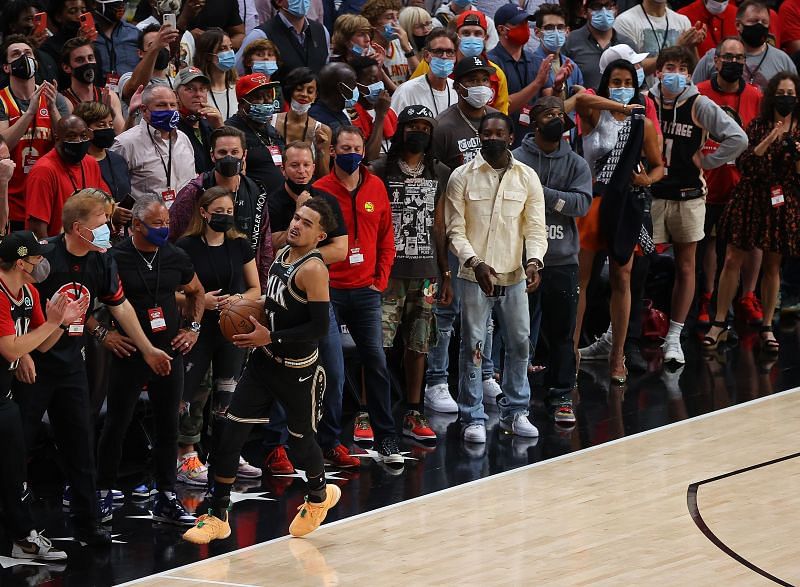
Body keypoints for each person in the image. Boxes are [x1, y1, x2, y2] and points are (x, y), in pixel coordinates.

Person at [15, 189, 172, 545]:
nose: (108, 228)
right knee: (16, 443)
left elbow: (120, 306)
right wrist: (21, 354)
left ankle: (88, 521)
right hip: (34, 363)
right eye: (101, 221)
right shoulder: (43, 260)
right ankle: (16, 523)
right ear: (76, 227)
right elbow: (18, 307)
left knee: (81, 442)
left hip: (70, 362)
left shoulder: (102, 259)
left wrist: (147, 349)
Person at [182, 198, 342, 544]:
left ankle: (318, 497)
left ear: (320, 235)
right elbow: (273, 304)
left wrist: (272, 335)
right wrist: (238, 303)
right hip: (264, 362)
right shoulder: (283, 255)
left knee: (302, 444)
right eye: (297, 217)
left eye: (307, 223)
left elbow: (318, 328)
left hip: (297, 370)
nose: (297, 224)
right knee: (229, 433)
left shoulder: (314, 269)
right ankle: (217, 514)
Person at [96, 194, 203, 525]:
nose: (164, 229)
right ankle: (102, 490)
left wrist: (193, 328)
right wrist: (104, 334)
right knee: (117, 422)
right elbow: (84, 302)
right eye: (157, 224)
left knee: (168, 424)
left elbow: (196, 291)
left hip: (169, 352)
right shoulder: (114, 257)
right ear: (136, 224)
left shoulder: (175, 256)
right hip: (129, 352)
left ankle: (166, 494)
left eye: (166, 222)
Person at [444, 112, 547, 443]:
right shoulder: (462, 176)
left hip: (514, 274)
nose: (491, 138)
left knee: (519, 343)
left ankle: (517, 411)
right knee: (473, 345)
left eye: (498, 133)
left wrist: (534, 262)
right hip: (475, 275)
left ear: (510, 138)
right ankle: (472, 415)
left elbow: (534, 226)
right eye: (486, 133)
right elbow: (454, 229)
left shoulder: (526, 176)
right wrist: (474, 262)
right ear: (479, 136)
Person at [649, 46, 747, 364]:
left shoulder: (698, 103)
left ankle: (674, 337)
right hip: (651, 194)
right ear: (658, 71)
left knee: (687, 266)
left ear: (689, 74)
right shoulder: (646, 100)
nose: (674, 73)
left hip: (688, 193)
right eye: (668, 67)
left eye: (681, 68)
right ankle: (627, 333)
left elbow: (738, 138)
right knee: (634, 268)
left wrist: (707, 158)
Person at [314, 125, 404, 466]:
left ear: (364, 152)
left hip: (366, 291)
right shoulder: (320, 190)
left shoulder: (376, 186)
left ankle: (387, 438)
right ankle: (330, 442)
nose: (351, 152)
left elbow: (386, 237)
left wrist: (379, 280)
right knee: (333, 371)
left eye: (356, 146)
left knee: (377, 364)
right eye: (344, 147)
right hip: (330, 291)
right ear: (333, 151)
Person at [264, 141, 356, 471]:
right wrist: (299, 219)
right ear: (283, 168)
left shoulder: (326, 200)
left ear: (313, 168)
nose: (301, 170)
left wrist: (301, 255)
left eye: (306, 165)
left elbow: (341, 248)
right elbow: (272, 245)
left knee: (333, 371)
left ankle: (331, 441)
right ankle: (277, 447)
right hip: (282, 301)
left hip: (317, 297)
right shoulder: (273, 201)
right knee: (282, 375)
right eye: (294, 165)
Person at [0, 232, 85, 563]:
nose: (42, 263)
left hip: (3, 394)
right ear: (21, 263)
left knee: (13, 466)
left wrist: (61, 323)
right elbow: (9, 347)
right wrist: (48, 326)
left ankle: (22, 537)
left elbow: (43, 344)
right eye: (36, 258)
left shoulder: (30, 292)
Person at [371, 105, 455, 428]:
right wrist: (380, 119)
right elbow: (369, 155)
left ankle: (413, 410)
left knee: (419, 345)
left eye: (425, 127)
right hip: (388, 273)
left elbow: (440, 228)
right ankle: (369, 412)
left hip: (427, 273)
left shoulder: (441, 172)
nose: (418, 132)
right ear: (401, 129)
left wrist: (445, 273)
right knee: (377, 345)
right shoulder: (381, 168)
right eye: (411, 126)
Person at [705, 73, 800, 355]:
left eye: (791, 93)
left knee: (773, 264)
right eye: (781, 92)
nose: (786, 97)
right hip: (751, 197)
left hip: (782, 201)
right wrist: (770, 139)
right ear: (772, 96)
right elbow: (745, 163)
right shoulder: (758, 125)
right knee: (733, 257)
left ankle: (767, 325)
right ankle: (719, 322)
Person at [175, 186, 264, 484]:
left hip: (231, 327)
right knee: (193, 391)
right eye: (219, 212)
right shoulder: (186, 246)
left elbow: (255, 289)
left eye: (229, 212)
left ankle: (226, 454)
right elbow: (171, 292)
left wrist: (238, 300)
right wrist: (201, 300)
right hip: (196, 327)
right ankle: (186, 454)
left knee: (229, 392)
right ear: (203, 212)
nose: (225, 217)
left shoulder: (239, 244)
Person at [512, 96, 591, 424]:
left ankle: (561, 395)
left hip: (561, 259)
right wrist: (556, 197)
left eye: (560, 114)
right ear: (534, 122)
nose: (555, 119)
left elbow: (581, 204)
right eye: (548, 114)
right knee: (517, 333)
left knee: (562, 333)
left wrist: (542, 193)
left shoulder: (576, 163)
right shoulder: (515, 158)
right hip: (519, 258)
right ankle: (515, 396)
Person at [695, 37, 763, 327]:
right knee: (706, 247)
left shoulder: (756, 96)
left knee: (734, 252)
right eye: (728, 57)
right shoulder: (699, 93)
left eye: (739, 58)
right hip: (705, 186)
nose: (734, 62)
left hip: (740, 189)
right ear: (716, 60)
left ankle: (736, 304)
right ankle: (706, 300)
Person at [0, 35, 68, 231]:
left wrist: (53, 108)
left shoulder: (55, 98)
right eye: (16, 54)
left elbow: (67, 143)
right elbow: (4, 144)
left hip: (47, 198)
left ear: (36, 63)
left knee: (45, 256)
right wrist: (30, 112)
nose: (24, 57)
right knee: (21, 257)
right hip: (11, 201)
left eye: (28, 53)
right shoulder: (2, 100)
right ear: (7, 67)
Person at [26, 115, 110, 238]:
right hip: (58, 249)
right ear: (57, 138)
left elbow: (102, 205)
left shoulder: (90, 163)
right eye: (72, 136)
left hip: (88, 244)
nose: (79, 141)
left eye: (83, 136)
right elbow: (37, 227)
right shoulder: (43, 171)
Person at [110, 85, 196, 204]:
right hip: (146, 220)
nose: (169, 110)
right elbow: (113, 189)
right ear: (144, 110)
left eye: (172, 105)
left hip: (184, 218)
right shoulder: (126, 143)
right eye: (161, 105)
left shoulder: (184, 139)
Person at [692, 0, 797, 90]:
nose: (759, 26)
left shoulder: (783, 61)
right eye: (753, 21)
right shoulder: (713, 57)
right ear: (738, 25)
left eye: (764, 22)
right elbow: (693, 94)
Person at [488, 4, 552, 148]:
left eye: (525, 23)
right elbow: (503, 106)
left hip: (534, 144)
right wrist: (536, 84)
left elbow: (548, 100)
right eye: (518, 24)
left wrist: (559, 87)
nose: (524, 28)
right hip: (503, 143)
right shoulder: (491, 64)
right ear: (502, 29)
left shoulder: (536, 61)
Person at [235, 0, 330, 80]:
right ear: (278, 1)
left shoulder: (322, 32)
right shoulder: (260, 35)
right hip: (275, 99)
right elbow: (234, 74)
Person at [432, 55, 498, 170]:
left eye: (485, 80)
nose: (481, 85)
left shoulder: (498, 119)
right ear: (458, 87)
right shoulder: (441, 127)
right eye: (473, 80)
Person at [224, 73, 286, 195]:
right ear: (242, 103)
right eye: (258, 97)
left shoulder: (272, 130)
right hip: (252, 202)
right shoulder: (231, 131)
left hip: (279, 202)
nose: (266, 101)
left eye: (269, 96)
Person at [612, 0, 701, 78]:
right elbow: (630, 69)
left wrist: (692, 47)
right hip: (644, 93)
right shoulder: (625, 21)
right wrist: (677, 47)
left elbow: (694, 71)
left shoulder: (682, 21)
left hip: (678, 93)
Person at [73, 101, 133, 216]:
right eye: (101, 125)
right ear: (85, 129)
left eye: (110, 124)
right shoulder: (78, 163)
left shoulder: (119, 160)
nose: (108, 129)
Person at [562, 0, 636, 91]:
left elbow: (639, 83)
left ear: (616, 9)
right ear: (584, 11)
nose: (604, 11)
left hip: (621, 104)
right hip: (584, 103)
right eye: (596, 6)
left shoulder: (627, 44)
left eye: (608, 5)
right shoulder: (570, 42)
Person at [271, 67, 332, 178]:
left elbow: (323, 177)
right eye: (299, 89)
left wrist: (321, 151)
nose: (304, 94)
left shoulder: (323, 130)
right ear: (290, 91)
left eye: (310, 91)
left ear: (315, 96)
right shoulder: (270, 122)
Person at [61, 37, 125, 135]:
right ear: (66, 67)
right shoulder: (65, 101)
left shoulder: (109, 96)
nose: (87, 63)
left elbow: (121, 135)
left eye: (90, 58)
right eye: (80, 60)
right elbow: (70, 138)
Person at [390, 29, 459, 117]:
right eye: (438, 51)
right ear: (426, 56)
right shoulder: (406, 91)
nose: (444, 56)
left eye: (450, 52)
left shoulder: (458, 89)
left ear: (455, 56)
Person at [175, 67, 225, 174]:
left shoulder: (212, 123)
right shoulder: (170, 128)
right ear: (176, 95)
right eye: (190, 89)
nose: (198, 94)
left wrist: (220, 127)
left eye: (202, 89)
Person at [531, 5, 584, 106]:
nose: (555, 32)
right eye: (549, 28)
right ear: (537, 32)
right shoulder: (531, 65)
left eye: (560, 27)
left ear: (567, 31)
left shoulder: (572, 67)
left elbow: (579, 106)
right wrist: (577, 97)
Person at [0, 0, 61, 87]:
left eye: (37, 19)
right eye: (29, 19)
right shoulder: (2, 57)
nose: (35, 24)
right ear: (12, 26)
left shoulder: (47, 56)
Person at [118, 24, 181, 104]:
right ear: (140, 53)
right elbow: (135, 87)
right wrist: (155, 47)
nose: (160, 47)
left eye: (164, 43)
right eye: (152, 44)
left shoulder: (176, 84)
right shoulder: (127, 77)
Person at [362, 0, 418, 88]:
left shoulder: (401, 42)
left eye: (397, 17)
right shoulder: (368, 50)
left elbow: (420, 77)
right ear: (373, 24)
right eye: (389, 17)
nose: (396, 22)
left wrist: (407, 49)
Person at [351, 56, 397, 162]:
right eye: (371, 81)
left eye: (379, 80)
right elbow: (368, 158)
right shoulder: (351, 114)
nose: (378, 85)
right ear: (355, 83)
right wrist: (380, 116)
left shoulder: (390, 110)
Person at [194, 29, 239, 122]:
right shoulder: (198, 92)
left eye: (231, 47)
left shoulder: (238, 86)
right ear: (208, 55)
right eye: (223, 49)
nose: (230, 52)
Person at [92, 0, 141, 80]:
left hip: (131, 89)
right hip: (97, 90)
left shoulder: (135, 33)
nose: (120, 7)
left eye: (121, 2)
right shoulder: (86, 35)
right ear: (95, 4)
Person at [309, 63, 359, 135]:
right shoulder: (316, 118)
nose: (356, 88)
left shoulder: (341, 113)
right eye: (353, 84)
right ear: (342, 88)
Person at [431, 0, 499, 52]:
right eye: (466, 33)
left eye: (477, 33)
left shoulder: (487, 22)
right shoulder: (436, 22)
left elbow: (492, 49)